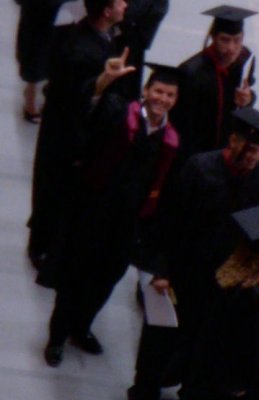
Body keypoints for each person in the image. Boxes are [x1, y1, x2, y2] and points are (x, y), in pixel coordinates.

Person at [37, 64, 180, 368]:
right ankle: (57, 337)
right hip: (91, 213)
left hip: (126, 227)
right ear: (145, 91)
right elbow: (86, 115)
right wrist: (102, 83)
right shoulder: (118, 114)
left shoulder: (170, 142)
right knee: (73, 278)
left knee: (104, 282)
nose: (162, 99)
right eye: (158, 91)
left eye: (169, 95)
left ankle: (82, 327)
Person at [159, 107, 259, 400]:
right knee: (179, 335)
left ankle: (192, 390)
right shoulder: (200, 168)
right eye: (248, 149)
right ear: (232, 141)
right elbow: (172, 221)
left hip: (229, 277)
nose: (252, 157)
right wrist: (163, 270)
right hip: (192, 269)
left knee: (210, 345)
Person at [28, 0, 131, 268]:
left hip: (65, 126)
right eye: (119, 1)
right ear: (107, 11)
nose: (125, 4)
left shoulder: (87, 36)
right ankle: (41, 246)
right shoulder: (83, 52)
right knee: (55, 188)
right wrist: (102, 85)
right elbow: (75, 98)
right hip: (66, 132)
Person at [171, 5, 258, 159]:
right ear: (213, 37)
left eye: (237, 40)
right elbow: (181, 126)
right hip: (197, 154)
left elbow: (246, 97)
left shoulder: (244, 62)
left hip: (227, 152)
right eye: (225, 40)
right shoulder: (192, 73)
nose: (231, 48)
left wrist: (248, 99)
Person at [16, 0, 77, 122]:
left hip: (69, 11)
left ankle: (51, 90)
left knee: (63, 51)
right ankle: (31, 93)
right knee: (36, 51)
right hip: (40, 10)